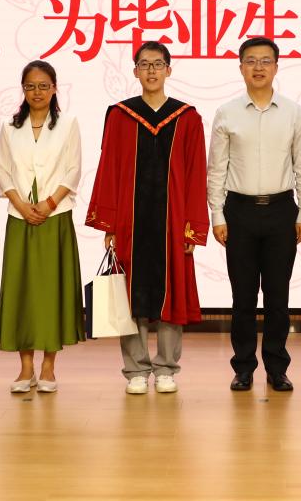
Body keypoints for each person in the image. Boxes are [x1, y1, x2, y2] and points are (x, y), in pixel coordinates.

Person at [86, 42, 209, 395]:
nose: (151, 70)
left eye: (158, 64)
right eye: (144, 64)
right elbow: (109, 169)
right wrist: (109, 224)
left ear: (169, 70)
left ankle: (167, 367)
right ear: (135, 71)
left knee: (172, 293)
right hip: (131, 221)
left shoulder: (187, 117)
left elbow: (196, 174)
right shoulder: (120, 115)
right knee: (131, 294)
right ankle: (136, 369)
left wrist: (192, 228)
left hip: (174, 221)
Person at [207, 37, 301, 393]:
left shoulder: (293, 112)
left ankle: (277, 368)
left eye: (266, 61)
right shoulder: (227, 113)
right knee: (243, 298)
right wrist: (217, 216)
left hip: (282, 211)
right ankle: (243, 367)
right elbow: (216, 169)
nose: (259, 67)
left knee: (278, 298)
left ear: (277, 67)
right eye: (251, 61)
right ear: (241, 68)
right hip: (239, 212)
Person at [0, 60, 85, 394]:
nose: (37, 92)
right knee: (22, 290)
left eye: (43, 86)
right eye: (30, 86)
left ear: (54, 88)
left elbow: (73, 169)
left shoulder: (68, 124)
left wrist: (49, 203)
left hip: (54, 216)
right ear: (23, 89)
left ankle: (48, 366)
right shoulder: (9, 127)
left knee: (50, 291)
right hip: (20, 217)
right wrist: (21, 205)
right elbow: (2, 170)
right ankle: (25, 367)